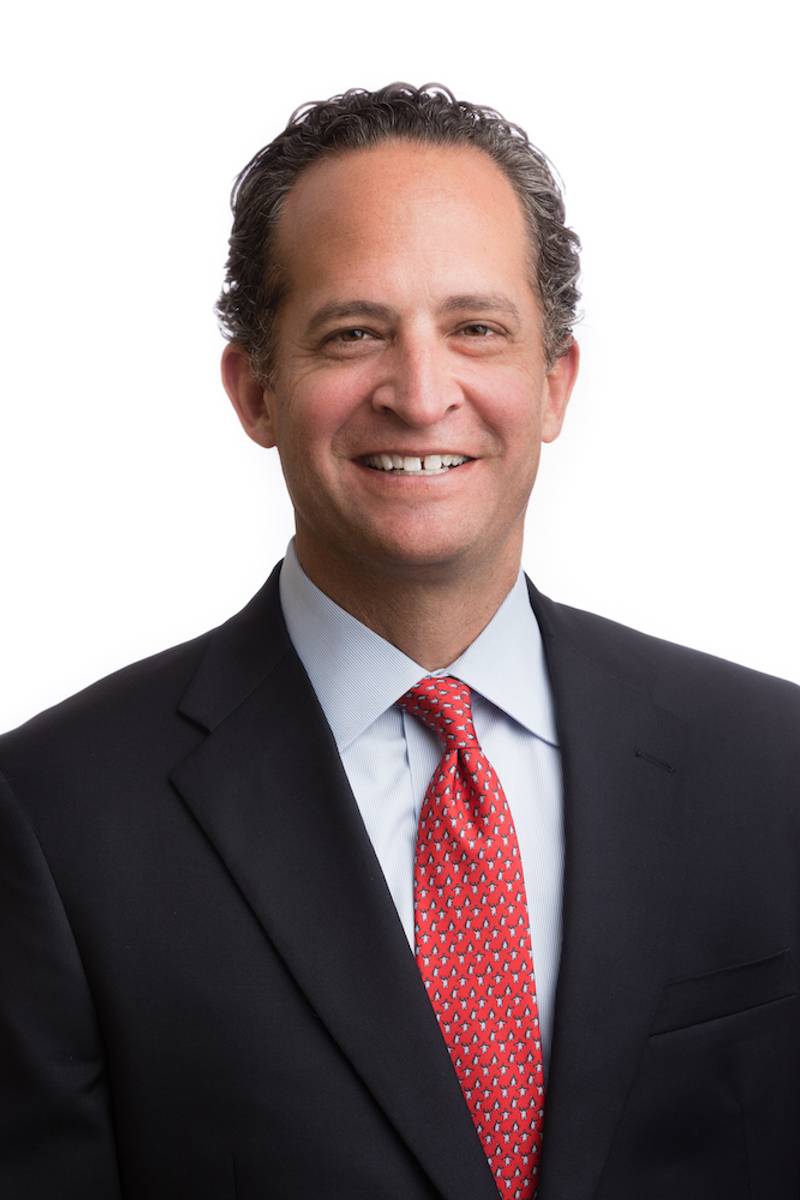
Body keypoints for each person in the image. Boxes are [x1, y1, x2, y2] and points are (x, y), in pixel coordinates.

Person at [1, 83, 797, 1200]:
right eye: (354, 333)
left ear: (553, 383)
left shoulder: (771, 764)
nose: (422, 396)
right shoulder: (53, 818)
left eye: (475, 329)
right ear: (255, 391)